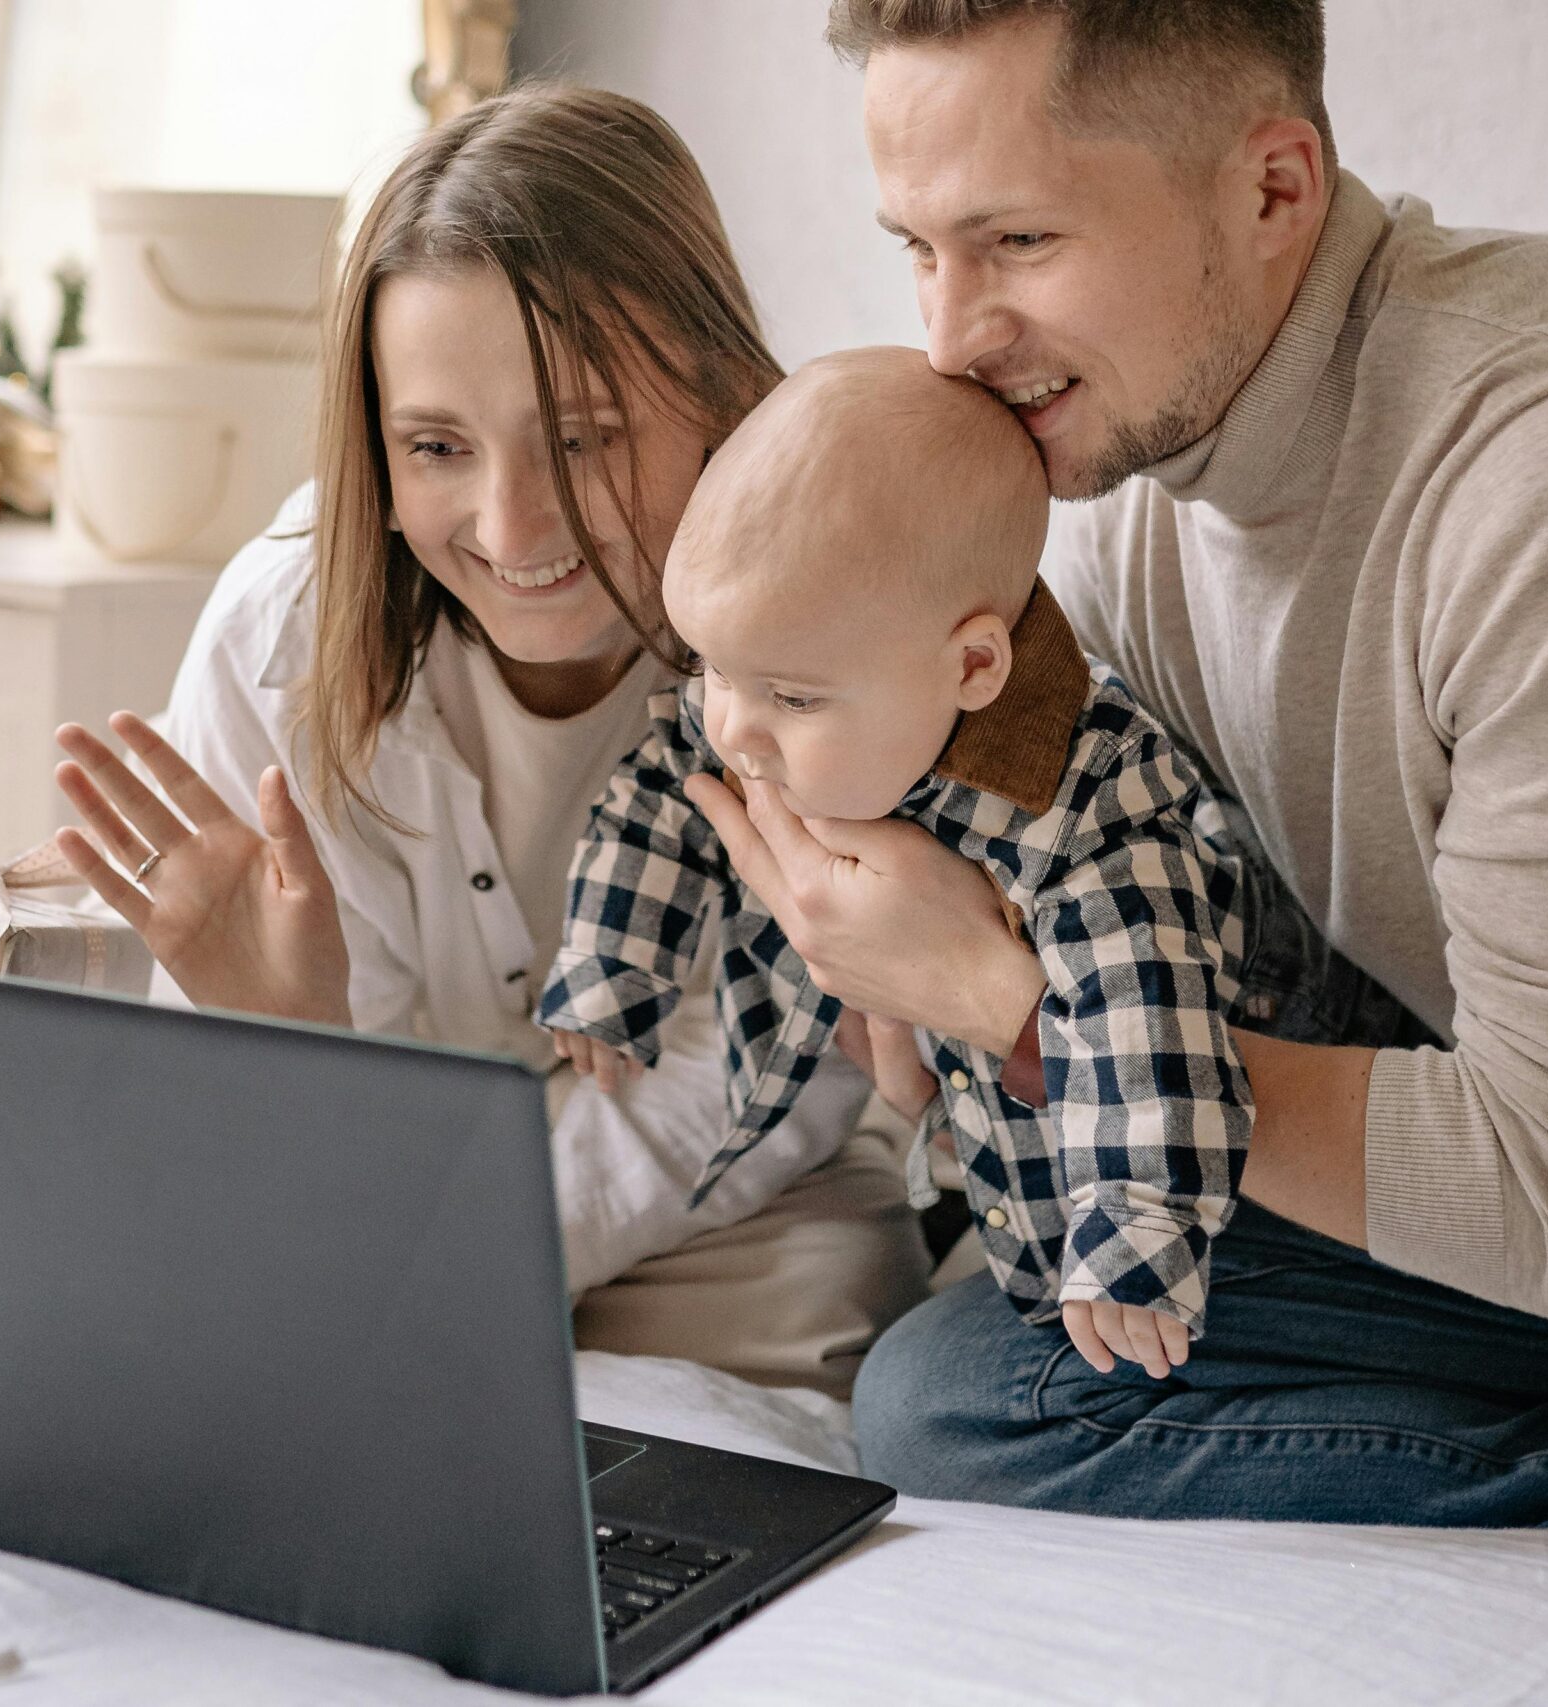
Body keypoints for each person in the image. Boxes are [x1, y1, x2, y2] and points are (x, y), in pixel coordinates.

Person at [690, 0, 1548, 1522]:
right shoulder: (1131, 495)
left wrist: (1015, 1008)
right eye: (918, 247)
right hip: (1534, 1177)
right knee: (954, 1392)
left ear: (1274, 188)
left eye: (1017, 242)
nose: (951, 336)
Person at [48, 85, 932, 1397]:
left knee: (824, 1333)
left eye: (582, 437)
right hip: (374, 1185)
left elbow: (749, 1079)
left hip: (719, 1219)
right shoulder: (282, 633)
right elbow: (308, 1120)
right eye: (438, 446)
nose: (515, 528)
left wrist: (448, 1257)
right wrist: (290, 1035)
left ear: (719, 393)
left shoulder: (833, 635)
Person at [543, 347, 1251, 1382]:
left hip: (1204, 1213)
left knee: (933, 1405)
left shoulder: (1089, 817)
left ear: (971, 666)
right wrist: (612, 963)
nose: (732, 726)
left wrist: (1133, 1239)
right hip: (992, 1170)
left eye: (788, 696)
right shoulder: (790, 694)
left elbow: (1149, 1039)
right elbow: (660, 796)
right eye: (708, 667)